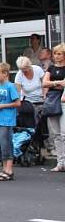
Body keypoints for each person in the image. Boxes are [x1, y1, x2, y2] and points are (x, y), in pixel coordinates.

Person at [0, 63, 20, 181]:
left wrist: (2, 106)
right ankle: (4, 169)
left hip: (7, 120)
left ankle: (9, 170)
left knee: (7, 144)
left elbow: (17, 103)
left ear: (5, 74)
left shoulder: (10, 86)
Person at [42, 43, 65, 172]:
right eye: (55, 54)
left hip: (63, 101)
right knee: (56, 134)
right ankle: (60, 162)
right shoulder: (50, 68)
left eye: (59, 53)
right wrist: (57, 83)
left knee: (64, 133)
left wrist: (52, 84)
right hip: (52, 101)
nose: (56, 56)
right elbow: (44, 83)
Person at [14, 56, 46, 124]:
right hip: (28, 102)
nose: (24, 71)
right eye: (22, 69)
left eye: (25, 68)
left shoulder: (38, 69)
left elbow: (45, 84)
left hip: (41, 99)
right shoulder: (19, 75)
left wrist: (45, 95)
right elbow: (18, 92)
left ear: (29, 65)